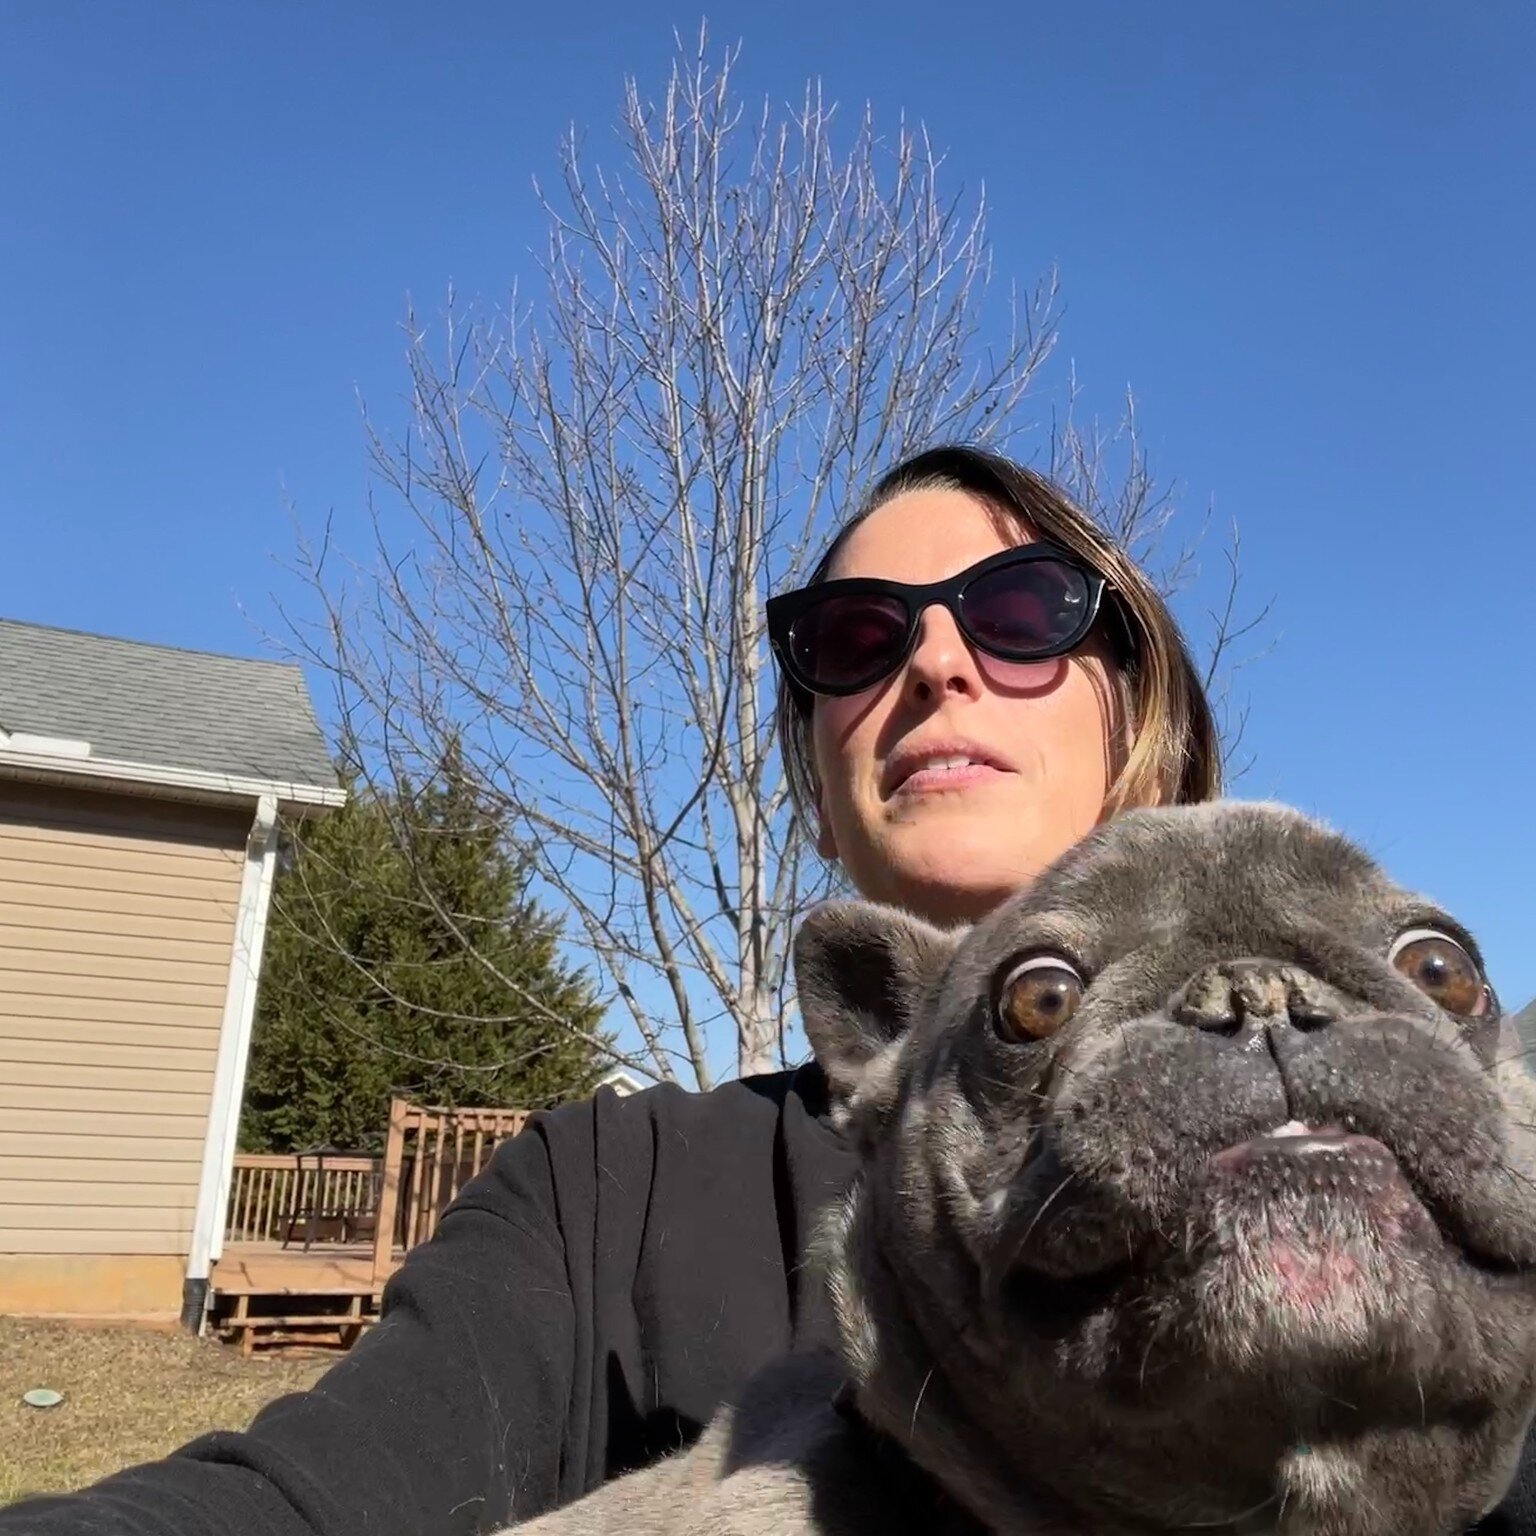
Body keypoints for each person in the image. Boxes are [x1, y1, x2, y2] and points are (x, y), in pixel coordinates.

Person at [6, 445, 1532, 1535]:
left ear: (1145, 703)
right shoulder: (618, 1187)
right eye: (854, 642)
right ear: (818, 778)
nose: (934, 663)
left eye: (1020, 614)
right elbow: (305, 1497)